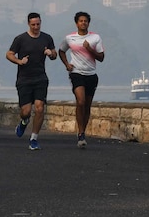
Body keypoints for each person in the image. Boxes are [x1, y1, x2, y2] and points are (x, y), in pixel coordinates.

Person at [6, 12, 57, 150]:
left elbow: (54, 54)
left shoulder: (47, 38)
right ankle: (24, 122)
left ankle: (34, 139)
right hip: (24, 79)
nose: (36, 27)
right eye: (33, 24)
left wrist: (51, 54)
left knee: (40, 108)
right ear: (28, 24)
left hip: (40, 78)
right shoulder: (20, 39)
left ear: (41, 23)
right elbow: (9, 54)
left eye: (38, 24)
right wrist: (19, 61)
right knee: (26, 111)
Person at [58, 11, 105, 148]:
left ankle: (82, 132)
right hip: (76, 73)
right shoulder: (70, 38)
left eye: (85, 21)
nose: (83, 23)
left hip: (91, 75)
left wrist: (89, 49)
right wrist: (67, 64)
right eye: (81, 21)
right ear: (76, 23)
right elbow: (61, 51)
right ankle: (80, 133)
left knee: (87, 105)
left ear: (88, 23)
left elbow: (101, 58)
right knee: (81, 101)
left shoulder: (95, 38)